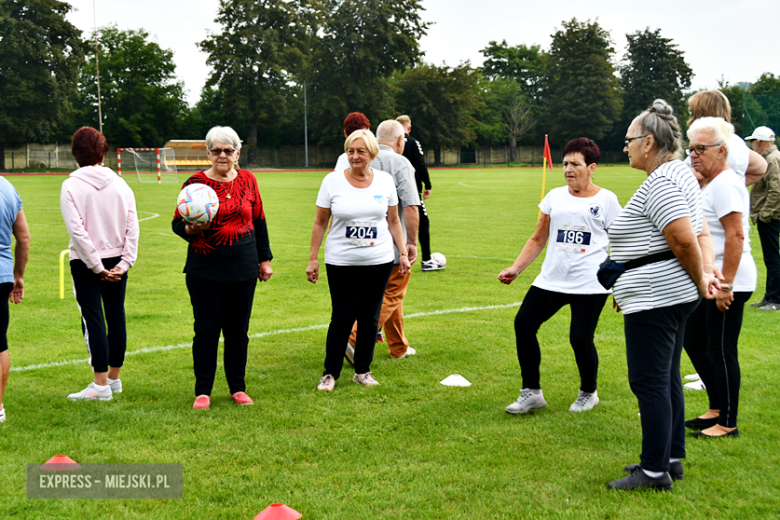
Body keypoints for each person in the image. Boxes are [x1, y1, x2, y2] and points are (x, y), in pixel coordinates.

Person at [607, 100, 718, 491]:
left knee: (649, 382)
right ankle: (670, 458)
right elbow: (699, 233)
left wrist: (702, 278)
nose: (625, 147)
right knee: (667, 377)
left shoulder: (665, 180)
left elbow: (685, 238)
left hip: (657, 298)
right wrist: (701, 276)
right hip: (665, 294)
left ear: (649, 141)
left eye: (629, 140)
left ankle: (654, 471)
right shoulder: (679, 174)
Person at [498, 138, 621, 415]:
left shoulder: (607, 200)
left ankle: (589, 393)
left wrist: (620, 285)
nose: (567, 169)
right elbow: (538, 238)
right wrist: (516, 268)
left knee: (580, 338)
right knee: (524, 324)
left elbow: (623, 245)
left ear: (591, 168)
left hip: (591, 284)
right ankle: (531, 392)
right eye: (565, 163)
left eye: (575, 164)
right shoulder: (554, 196)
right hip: (551, 280)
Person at [173, 126, 273, 410]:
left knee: (237, 331)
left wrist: (264, 259)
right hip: (204, 270)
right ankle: (203, 390)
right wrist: (191, 227)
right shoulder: (195, 184)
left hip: (243, 268)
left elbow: (259, 221)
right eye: (216, 150)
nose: (222, 155)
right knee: (206, 330)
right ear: (208, 153)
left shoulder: (248, 180)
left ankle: (237, 388)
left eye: (228, 150)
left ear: (237, 153)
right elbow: (177, 223)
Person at [307, 129, 411, 391]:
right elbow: (320, 223)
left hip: (378, 260)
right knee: (342, 317)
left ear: (372, 154)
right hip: (341, 260)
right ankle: (330, 373)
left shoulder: (385, 181)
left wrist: (402, 252)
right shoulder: (332, 181)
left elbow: (393, 220)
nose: (355, 156)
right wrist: (313, 259)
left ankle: (363, 371)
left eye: (360, 151)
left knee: (369, 317)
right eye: (350, 151)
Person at [683, 117, 756, 438]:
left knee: (722, 349)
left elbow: (736, 236)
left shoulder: (726, 183)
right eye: (691, 148)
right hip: (713, 279)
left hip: (730, 280)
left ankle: (727, 422)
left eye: (701, 148)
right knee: (695, 340)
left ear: (722, 151)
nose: (694, 154)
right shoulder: (710, 183)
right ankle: (715, 407)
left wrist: (726, 284)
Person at [62, 126, 140, 401]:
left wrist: (96, 266)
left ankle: (100, 384)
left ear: (75, 154)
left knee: (93, 317)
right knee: (116, 315)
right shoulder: (121, 184)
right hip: (117, 260)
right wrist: (124, 262)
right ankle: (113, 378)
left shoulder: (70, 185)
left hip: (87, 263)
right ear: (103, 153)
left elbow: (77, 230)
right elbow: (133, 226)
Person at [346, 120, 420, 362]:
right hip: (390, 243)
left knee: (390, 292)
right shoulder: (400, 163)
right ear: (401, 140)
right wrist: (411, 243)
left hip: (360, 241)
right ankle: (352, 338)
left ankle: (398, 346)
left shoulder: (359, 159)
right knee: (392, 292)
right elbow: (410, 206)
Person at [685, 90, 767, 186]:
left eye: (691, 112)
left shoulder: (710, 144)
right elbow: (761, 166)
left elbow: (690, 177)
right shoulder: (735, 141)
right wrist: (737, 186)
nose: (689, 119)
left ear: (700, 114)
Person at [0, 176, 30, 422]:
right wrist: (17, 275)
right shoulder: (8, 188)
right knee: (0, 343)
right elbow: (24, 238)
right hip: (3, 275)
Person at [396, 115, 439, 271]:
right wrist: (427, 185)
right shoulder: (413, 142)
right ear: (409, 127)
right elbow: (421, 164)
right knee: (423, 221)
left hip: (392, 190)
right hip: (411, 189)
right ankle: (427, 259)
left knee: (394, 221)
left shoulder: (389, 144)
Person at [746, 126, 780, 310]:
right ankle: (769, 297)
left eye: (753, 141)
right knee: (770, 258)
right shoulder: (773, 158)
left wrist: (763, 215)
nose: (752, 145)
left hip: (771, 216)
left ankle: (775, 300)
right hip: (771, 215)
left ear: (759, 142)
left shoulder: (772, 160)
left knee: (772, 258)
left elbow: (776, 191)